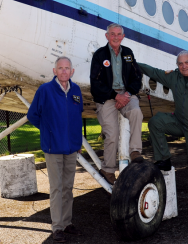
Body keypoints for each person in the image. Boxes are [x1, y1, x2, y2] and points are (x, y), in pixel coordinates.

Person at [138, 50, 188, 221]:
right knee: (156, 122)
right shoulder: (174, 77)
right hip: (180, 123)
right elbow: (154, 72)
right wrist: (133, 64)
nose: (184, 66)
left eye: (186, 63)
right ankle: (164, 159)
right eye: (180, 64)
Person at [27, 56, 84, 243]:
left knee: (68, 188)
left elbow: (77, 117)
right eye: (61, 68)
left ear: (72, 71)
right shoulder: (45, 90)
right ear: (55, 71)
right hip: (53, 148)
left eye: (67, 68)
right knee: (56, 188)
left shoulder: (76, 91)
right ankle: (57, 227)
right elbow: (33, 115)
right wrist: (48, 132)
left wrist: (77, 143)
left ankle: (67, 223)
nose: (64, 71)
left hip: (71, 149)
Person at [90, 23, 144, 184]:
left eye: (118, 34)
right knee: (112, 134)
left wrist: (127, 94)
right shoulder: (100, 55)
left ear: (123, 36)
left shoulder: (128, 53)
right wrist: (115, 95)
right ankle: (107, 170)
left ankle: (135, 151)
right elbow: (95, 83)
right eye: (112, 34)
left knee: (136, 112)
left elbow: (137, 77)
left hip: (126, 95)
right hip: (107, 97)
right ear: (107, 36)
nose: (115, 37)